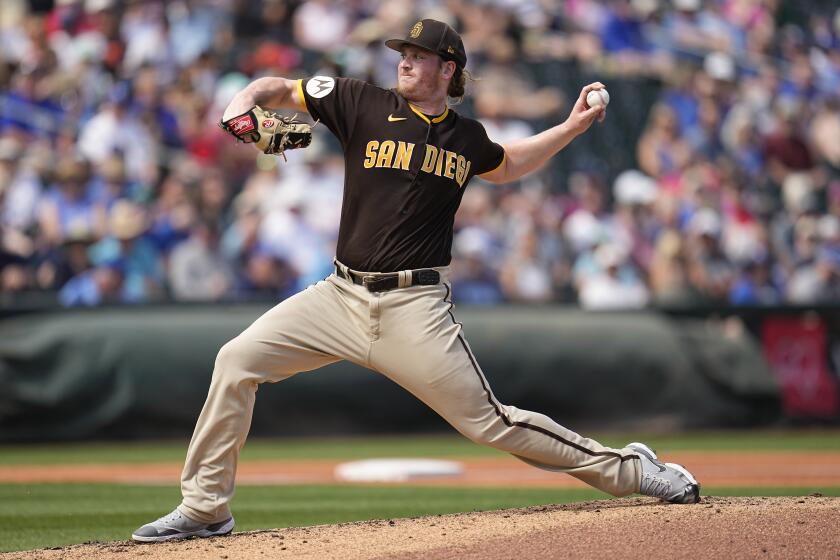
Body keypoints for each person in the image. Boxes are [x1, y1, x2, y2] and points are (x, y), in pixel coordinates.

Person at [132, 18, 700, 543]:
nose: (404, 60)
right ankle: (206, 507)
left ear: (447, 69)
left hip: (414, 307)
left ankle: (633, 470)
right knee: (236, 360)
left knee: (490, 423)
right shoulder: (360, 101)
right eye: (402, 51)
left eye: (417, 54)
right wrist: (241, 109)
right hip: (338, 296)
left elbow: (510, 164)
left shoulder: (466, 137)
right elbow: (273, 88)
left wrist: (571, 127)